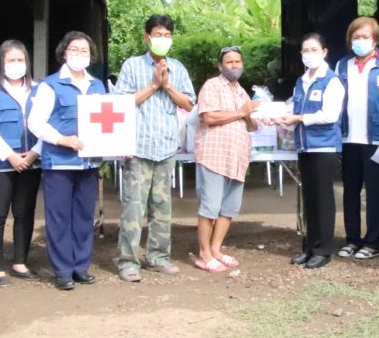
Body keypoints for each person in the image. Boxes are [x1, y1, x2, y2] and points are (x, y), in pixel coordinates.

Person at [114, 15, 195, 282]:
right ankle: (128, 262)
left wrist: (167, 85)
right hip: (138, 147)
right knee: (133, 207)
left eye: (167, 36)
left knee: (162, 206)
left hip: (166, 147)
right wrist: (153, 85)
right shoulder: (132, 66)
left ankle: (158, 257)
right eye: (158, 35)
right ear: (147, 37)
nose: (163, 39)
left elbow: (189, 104)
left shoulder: (178, 68)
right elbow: (121, 104)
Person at [27, 31, 106, 291]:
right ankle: (62, 271)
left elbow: (108, 122)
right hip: (59, 162)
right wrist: (62, 139)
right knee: (59, 217)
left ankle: (80, 267)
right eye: (74, 50)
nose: (79, 55)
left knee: (84, 216)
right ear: (64, 53)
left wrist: (118, 145)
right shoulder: (50, 85)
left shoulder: (97, 85)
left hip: (89, 163)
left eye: (84, 51)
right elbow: (35, 123)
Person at [274, 33, 345, 269]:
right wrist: (278, 116)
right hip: (304, 146)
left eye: (314, 50)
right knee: (310, 198)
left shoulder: (332, 81)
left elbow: (329, 115)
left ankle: (323, 250)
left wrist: (299, 118)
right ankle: (310, 246)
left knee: (323, 199)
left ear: (324, 52)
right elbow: (292, 107)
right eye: (305, 50)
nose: (309, 54)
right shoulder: (301, 81)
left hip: (324, 146)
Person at [0, 40, 42, 288]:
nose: (16, 64)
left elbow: (48, 123)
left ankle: (20, 262)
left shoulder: (39, 90)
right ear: (1, 63)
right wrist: (9, 155)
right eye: (11, 60)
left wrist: (35, 152)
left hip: (31, 162)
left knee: (24, 213)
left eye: (20, 60)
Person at [334, 16, 379, 261]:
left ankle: (372, 242)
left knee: (375, 192)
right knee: (350, 191)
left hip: (378, 139)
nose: (360, 41)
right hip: (348, 139)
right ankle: (352, 239)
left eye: (365, 37)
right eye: (356, 37)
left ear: (375, 39)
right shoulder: (342, 65)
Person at [193, 46, 261, 272]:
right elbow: (208, 117)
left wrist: (251, 116)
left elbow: (251, 125)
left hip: (237, 158)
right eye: (229, 62)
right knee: (210, 206)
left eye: (237, 62)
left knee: (229, 208)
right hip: (214, 155)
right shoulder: (212, 85)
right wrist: (242, 112)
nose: (234, 66)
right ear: (220, 66)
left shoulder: (241, 91)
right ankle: (204, 254)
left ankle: (216, 249)